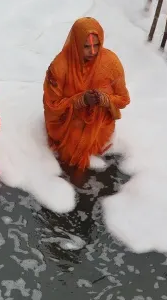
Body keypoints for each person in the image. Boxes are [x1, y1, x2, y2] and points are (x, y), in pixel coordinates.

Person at [43, 17, 130, 184]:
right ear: (76, 44)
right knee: (71, 152)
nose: (93, 51)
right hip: (68, 123)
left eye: (96, 45)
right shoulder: (59, 67)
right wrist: (80, 100)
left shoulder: (111, 63)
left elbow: (124, 99)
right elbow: (52, 106)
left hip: (100, 125)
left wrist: (105, 99)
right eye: (86, 46)